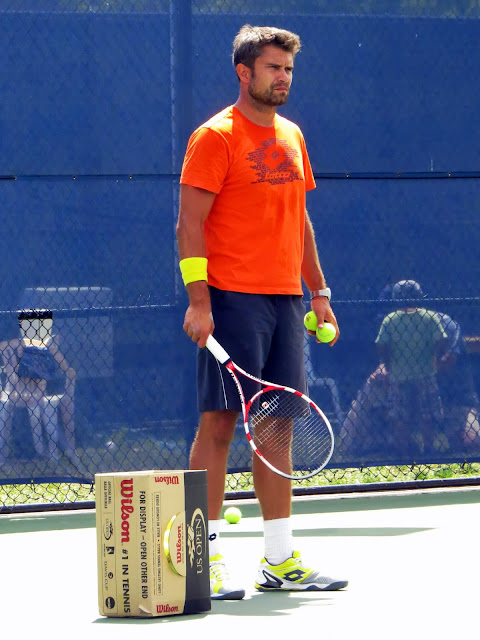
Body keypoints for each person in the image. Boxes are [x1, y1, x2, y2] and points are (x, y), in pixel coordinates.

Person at [176, 24, 347, 599]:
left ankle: (279, 560)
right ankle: (205, 556)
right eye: (273, 68)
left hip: (285, 299)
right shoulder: (215, 137)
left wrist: (318, 292)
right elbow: (189, 226)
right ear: (244, 72)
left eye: (289, 69)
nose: (283, 78)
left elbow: (299, 220)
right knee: (220, 425)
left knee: (275, 427)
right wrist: (200, 302)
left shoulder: (293, 135)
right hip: (230, 299)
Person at [375, 280, 448, 455]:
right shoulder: (429, 316)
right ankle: (428, 449)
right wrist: (434, 355)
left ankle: (403, 450)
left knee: (399, 415)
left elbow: (381, 344)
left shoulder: (390, 319)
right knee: (427, 413)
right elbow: (442, 339)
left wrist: (388, 361)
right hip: (425, 371)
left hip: (399, 373)